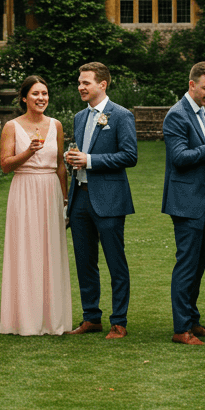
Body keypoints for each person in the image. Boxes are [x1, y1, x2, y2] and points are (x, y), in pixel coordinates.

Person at [64, 62, 138, 339]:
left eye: (86, 83)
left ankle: (119, 320)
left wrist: (90, 160)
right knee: (84, 261)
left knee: (115, 261)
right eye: (80, 82)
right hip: (80, 197)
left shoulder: (121, 115)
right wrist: (72, 158)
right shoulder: (79, 117)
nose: (81, 87)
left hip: (109, 199)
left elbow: (130, 156)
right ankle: (91, 317)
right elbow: (79, 151)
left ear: (102, 85)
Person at [0, 75, 72, 336]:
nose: (41, 98)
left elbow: (61, 165)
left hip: (50, 190)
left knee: (50, 251)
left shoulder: (56, 125)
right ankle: (25, 320)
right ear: (24, 98)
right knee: (26, 250)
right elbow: (5, 165)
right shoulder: (12, 126)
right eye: (35, 94)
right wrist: (29, 151)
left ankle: (52, 319)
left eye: (45, 93)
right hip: (24, 190)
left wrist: (66, 200)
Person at [161, 61, 205, 346]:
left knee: (199, 263)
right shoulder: (177, 115)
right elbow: (180, 158)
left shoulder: (201, 113)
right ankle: (181, 329)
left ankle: (193, 320)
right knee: (187, 263)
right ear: (192, 85)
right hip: (186, 200)